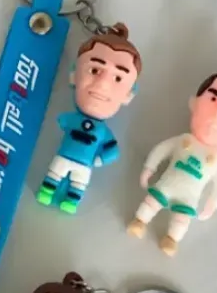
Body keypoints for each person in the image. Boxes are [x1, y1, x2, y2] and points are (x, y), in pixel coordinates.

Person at [127, 60, 217, 256]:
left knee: (182, 219)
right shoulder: (183, 140)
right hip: (165, 185)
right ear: (195, 103)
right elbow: (162, 150)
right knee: (151, 202)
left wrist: (212, 204)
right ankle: (139, 222)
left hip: (189, 198)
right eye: (214, 99)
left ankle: (172, 239)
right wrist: (149, 168)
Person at [36, 23, 141, 214]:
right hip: (63, 158)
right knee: (54, 175)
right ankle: (46, 192)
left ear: (129, 94)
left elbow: (113, 151)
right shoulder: (71, 119)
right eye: (95, 70)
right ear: (74, 75)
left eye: (118, 78)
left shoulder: (102, 131)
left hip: (84, 166)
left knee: (78, 185)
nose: (102, 85)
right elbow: (62, 121)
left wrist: (97, 160)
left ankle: (71, 202)